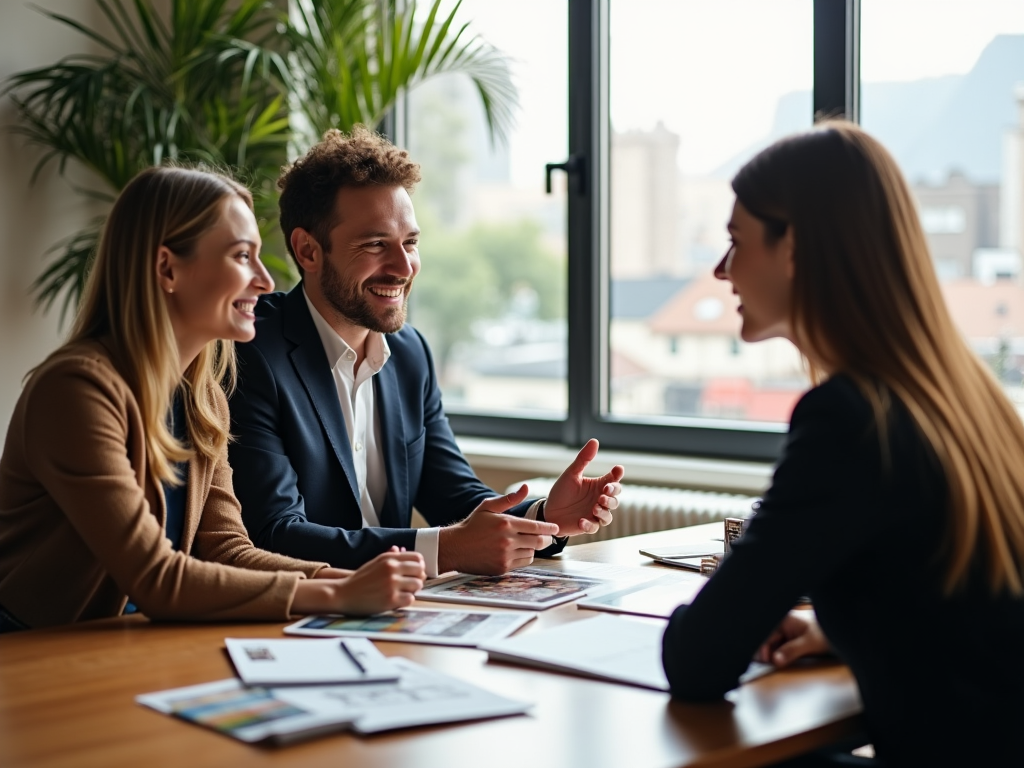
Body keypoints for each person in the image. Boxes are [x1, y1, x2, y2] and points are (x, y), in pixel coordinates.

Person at [661, 121, 1024, 767]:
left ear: (794, 246)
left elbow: (698, 659)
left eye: (736, 242)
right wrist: (837, 631)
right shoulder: (967, 395)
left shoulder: (848, 420)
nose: (721, 271)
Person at [0, 166, 425, 633]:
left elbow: (230, 551)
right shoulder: (77, 391)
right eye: (242, 256)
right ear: (168, 269)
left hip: (122, 647)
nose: (264, 280)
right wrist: (339, 594)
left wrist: (352, 582)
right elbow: (157, 578)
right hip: (30, 657)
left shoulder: (202, 398)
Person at [229, 126, 623, 576]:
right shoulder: (252, 350)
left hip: (393, 618)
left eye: (411, 242)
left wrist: (545, 517)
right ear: (308, 250)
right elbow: (274, 534)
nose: (403, 267)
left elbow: (455, 497)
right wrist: (445, 551)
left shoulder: (410, 353)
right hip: (294, 618)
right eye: (376, 244)